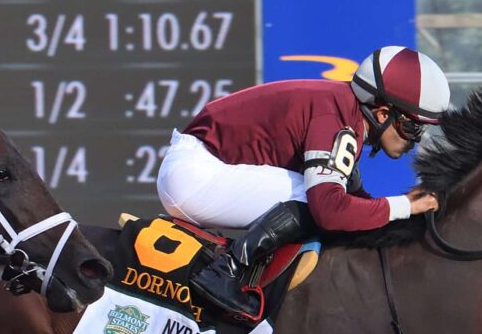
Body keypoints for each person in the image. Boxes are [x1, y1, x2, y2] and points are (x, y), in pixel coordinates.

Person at [156, 46, 448, 317]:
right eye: (412, 126)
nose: (415, 140)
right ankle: (226, 270)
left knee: (332, 192)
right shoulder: (336, 117)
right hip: (194, 173)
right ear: (382, 113)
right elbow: (329, 209)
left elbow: (358, 201)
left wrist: (401, 217)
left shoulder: (342, 109)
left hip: (197, 167)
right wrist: (405, 206)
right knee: (317, 198)